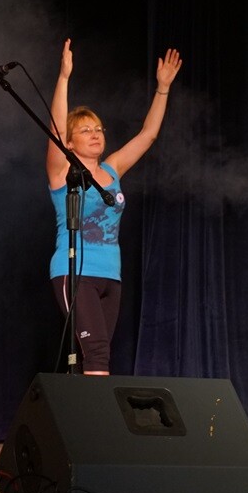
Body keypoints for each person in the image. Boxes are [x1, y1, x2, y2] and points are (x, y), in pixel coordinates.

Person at [46, 38, 182, 375]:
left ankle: (79, 410)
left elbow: (148, 135)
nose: (95, 134)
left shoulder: (112, 169)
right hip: (75, 273)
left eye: (98, 129)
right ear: (70, 142)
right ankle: (99, 413)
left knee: (93, 354)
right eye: (85, 130)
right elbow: (55, 130)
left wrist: (163, 88)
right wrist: (63, 78)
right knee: (96, 352)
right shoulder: (62, 172)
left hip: (111, 276)